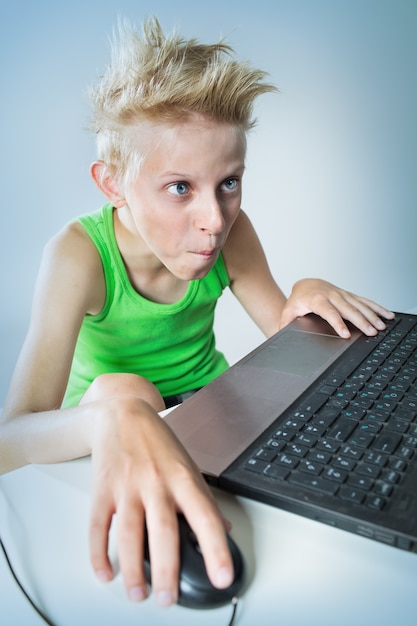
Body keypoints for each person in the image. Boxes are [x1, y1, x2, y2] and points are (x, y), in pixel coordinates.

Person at [0, 16, 394, 609]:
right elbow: (11, 438)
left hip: (214, 414)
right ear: (113, 184)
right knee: (122, 386)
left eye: (229, 182)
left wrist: (304, 300)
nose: (214, 218)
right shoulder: (79, 256)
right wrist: (111, 418)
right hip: (109, 429)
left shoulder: (229, 234)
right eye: (180, 187)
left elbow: (285, 344)